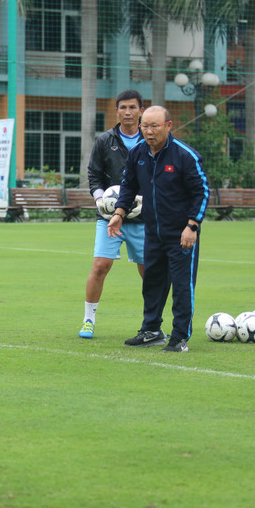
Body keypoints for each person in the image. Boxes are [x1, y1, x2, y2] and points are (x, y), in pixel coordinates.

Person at [107, 106, 209, 353]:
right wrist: (119, 213)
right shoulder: (138, 153)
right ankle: (151, 330)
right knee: (152, 282)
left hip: (181, 233)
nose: (149, 131)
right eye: (145, 126)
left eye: (155, 126)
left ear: (168, 126)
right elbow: (128, 185)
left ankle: (179, 337)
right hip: (152, 231)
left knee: (182, 285)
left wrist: (192, 226)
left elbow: (202, 192)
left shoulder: (185, 156)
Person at [80, 90, 146, 339]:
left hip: (142, 218)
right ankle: (88, 320)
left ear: (141, 110)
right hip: (109, 219)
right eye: (122, 108)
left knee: (148, 270)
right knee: (100, 266)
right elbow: (94, 175)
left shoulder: (150, 139)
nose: (127, 112)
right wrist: (100, 200)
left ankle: (151, 322)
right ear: (116, 111)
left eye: (132, 107)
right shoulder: (104, 141)